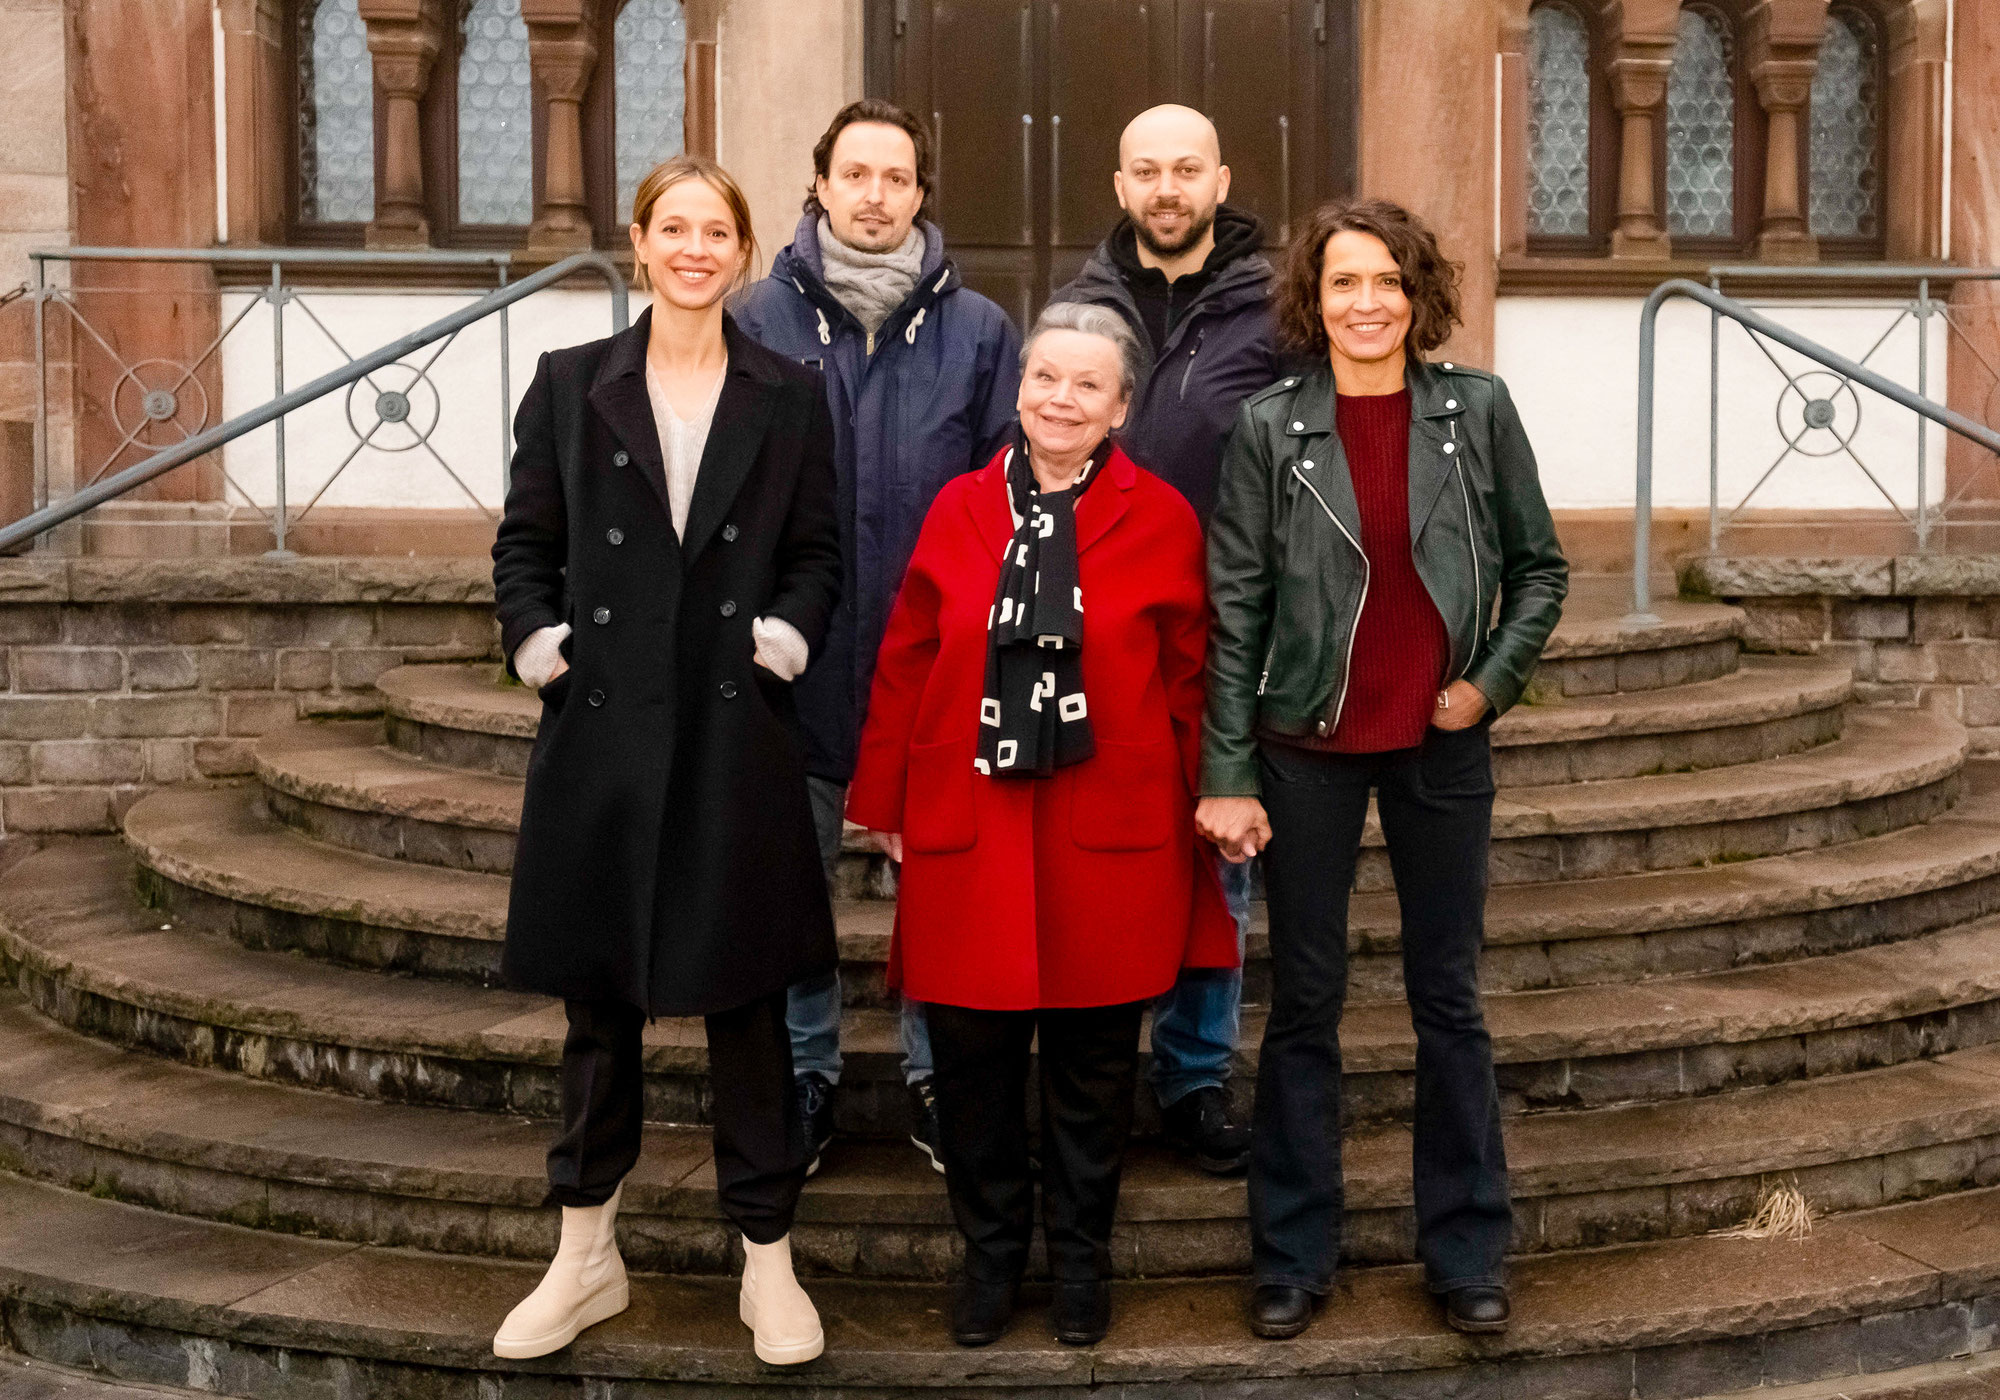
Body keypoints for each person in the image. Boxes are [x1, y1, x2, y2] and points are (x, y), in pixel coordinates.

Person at [489, 155, 841, 1367]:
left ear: (744, 252)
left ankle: (767, 1261)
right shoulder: (570, 382)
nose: (695, 248)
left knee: (747, 1000)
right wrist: (542, 651)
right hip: (605, 729)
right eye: (673, 227)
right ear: (639, 242)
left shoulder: (789, 392)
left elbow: (816, 551)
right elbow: (524, 541)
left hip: (737, 726)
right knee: (600, 1007)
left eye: (717, 231)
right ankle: (585, 1253)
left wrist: (786, 636)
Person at [1197, 198, 1568, 1341]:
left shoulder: (1476, 411)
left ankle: (1464, 1251)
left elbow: (1539, 568)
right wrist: (1227, 768)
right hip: (1304, 746)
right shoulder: (1270, 427)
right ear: (1314, 299)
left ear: (1418, 297)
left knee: (1446, 1000)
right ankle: (1291, 1254)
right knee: (1302, 1005)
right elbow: (1237, 605)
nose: (1366, 302)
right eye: (1344, 282)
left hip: (1439, 745)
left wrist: (1486, 684)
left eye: (1387, 282)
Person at [847, 302, 1237, 1349]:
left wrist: (1217, 792)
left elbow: (1192, 677)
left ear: (1118, 408)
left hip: (1110, 827)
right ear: (1017, 389)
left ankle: (1079, 1259)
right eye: (1044, 378)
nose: (1059, 399)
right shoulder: (957, 508)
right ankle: (987, 1254)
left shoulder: (1160, 518)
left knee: (1091, 1071)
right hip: (968, 817)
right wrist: (880, 799)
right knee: (969, 1068)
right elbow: (908, 652)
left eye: (1085, 385)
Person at [733, 99, 1021, 1177]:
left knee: (941, 898)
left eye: (894, 177)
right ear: (819, 185)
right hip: (790, 668)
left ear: (919, 194)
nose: (872, 194)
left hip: (935, 674)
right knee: (792, 897)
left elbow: (1006, 497)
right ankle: (806, 1075)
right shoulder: (756, 319)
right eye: (853, 173)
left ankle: (932, 1075)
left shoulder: (981, 331)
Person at [1048, 103, 1279, 1176]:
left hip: (1226, 627)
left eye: (1185, 168)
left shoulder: (1276, 307)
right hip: (1091, 632)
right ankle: (1084, 1071)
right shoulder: (1074, 306)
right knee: (1090, 857)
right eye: (1146, 170)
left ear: (1220, 179)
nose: (1166, 187)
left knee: (1211, 865)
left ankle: (1192, 1075)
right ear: (1119, 182)